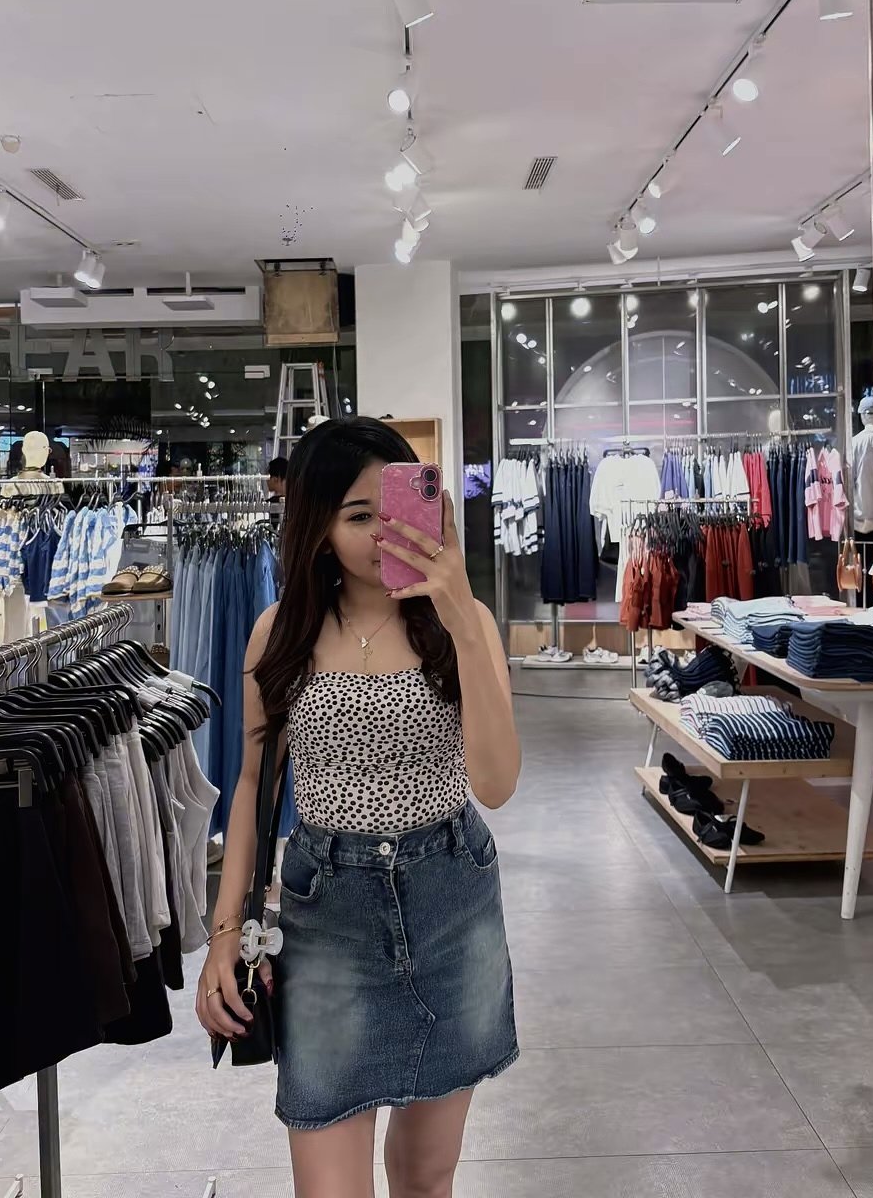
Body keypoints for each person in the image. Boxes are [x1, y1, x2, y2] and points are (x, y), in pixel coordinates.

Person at [197, 418, 520, 1198]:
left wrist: (462, 616)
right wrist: (224, 934)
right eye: (357, 515)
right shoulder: (281, 632)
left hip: (451, 900)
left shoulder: (463, 625)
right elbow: (252, 785)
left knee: (425, 1178)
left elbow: (497, 783)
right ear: (317, 526)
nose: (383, 535)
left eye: (395, 509)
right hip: (328, 914)